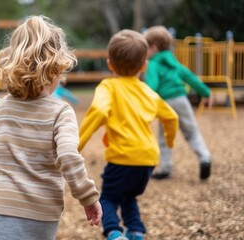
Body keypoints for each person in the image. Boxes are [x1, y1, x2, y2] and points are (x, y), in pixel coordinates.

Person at [0, 15, 102, 240]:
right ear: (55, 68)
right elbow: (68, 156)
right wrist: (87, 197)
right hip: (40, 214)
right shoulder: (60, 112)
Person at [78, 29, 179, 240]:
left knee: (108, 198)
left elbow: (98, 111)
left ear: (109, 64)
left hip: (123, 157)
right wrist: (169, 140)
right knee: (129, 196)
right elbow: (171, 117)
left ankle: (114, 233)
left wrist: (76, 145)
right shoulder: (148, 92)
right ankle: (136, 232)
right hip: (148, 160)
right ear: (144, 65)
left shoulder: (109, 87)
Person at [143, 26, 213, 180]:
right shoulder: (174, 63)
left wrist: (143, 98)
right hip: (182, 100)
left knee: (165, 136)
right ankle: (205, 157)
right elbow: (190, 77)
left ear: (154, 47)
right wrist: (206, 93)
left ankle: (165, 168)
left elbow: (151, 86)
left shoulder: (153, 64)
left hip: (165, 104)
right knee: (192, 132)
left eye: (147, 48)